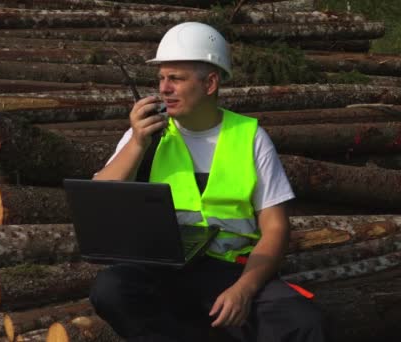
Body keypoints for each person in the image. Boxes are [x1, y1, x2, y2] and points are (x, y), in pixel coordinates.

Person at [90, 22, 326, 342]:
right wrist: (136, 143)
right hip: (164, 272)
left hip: (232, 271)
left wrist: (243, 290)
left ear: (210, 82)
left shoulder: (250, 138)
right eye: (161, 78)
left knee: (303, 322)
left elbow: (276, 228)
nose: (164, 88)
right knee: (111, 289)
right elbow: (100, 201)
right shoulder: (146, 135)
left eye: (176, 78)